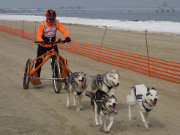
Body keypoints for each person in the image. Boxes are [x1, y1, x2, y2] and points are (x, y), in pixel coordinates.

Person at [30, 9, 71, 85]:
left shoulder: (57, 23)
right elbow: (38, 35)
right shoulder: (42, 24)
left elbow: (63, 29)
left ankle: (57, 78)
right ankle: (36, 77)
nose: (52, 20)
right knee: (39, 62)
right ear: (47, 18)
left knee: (57, 60)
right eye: (50, 19)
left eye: (53, 19)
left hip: (53, 45)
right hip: (43, 46)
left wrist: (67, 37)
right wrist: (41, 40)